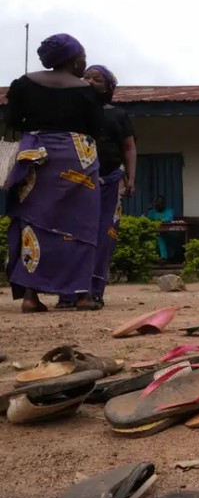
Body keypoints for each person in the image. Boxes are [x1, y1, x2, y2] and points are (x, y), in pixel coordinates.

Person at [3, 33, 103, 313]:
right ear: (73, 60)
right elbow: (96, 129)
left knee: (34, 224)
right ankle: (82, 295)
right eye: (82, 58)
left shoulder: (23, 84)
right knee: (81, 226)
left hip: (36, 157)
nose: (85, 63)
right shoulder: (86, 90)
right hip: (78, 158)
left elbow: (10, 121)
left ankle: (30, 297)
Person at [57, 64, 136, 309]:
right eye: (86, 76)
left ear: (109, 87)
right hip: (75, 184)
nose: (89, 81)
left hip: (110, 181)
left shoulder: (117, 115)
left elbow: (129, 148)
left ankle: (93, 292)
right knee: (71, 236)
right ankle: (68, 294)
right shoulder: (70, 112)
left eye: (97, 79)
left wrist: (131, 179)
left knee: (104, 236)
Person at [146, 195, 180, 261]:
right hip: (154, 234)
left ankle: (164, 258)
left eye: (161, 202)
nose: (159, 204)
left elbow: (168, 218)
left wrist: (159, 221)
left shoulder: (169, 211)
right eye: (158, 202)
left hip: (168, 233)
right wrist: (147, 211)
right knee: (157, 237)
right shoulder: (152, 212)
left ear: (164, 203)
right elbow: (145, 219)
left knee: (159, 237)